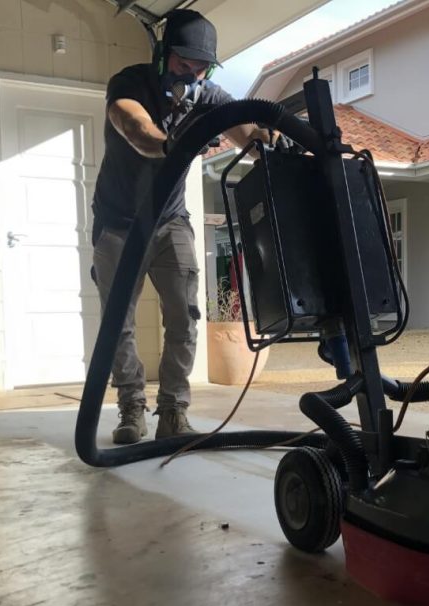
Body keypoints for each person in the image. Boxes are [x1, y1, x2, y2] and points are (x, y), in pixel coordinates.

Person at [91, 9, 265, 444]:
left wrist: (284, 145)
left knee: (185, 320)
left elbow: (252, 134)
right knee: (119, 324)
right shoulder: (130, 84)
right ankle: (132, 409)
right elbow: (135, 127)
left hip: (170, 221)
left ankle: (173, 411)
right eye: (183, 64)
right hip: (118, 224)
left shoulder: (211, 99)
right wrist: (171, 143)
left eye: (201, 66)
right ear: (163, 56)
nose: (191, 73)